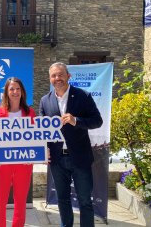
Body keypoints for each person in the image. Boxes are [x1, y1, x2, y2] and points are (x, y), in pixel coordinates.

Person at [39, 62, 103, 227]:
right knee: (62, 199)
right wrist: (43, 149)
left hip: (80, 158)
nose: (57, 78)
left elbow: (97, 121)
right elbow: (41, 131)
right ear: (50, 78)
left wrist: (77, 121)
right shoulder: (45, 101)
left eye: (61, 74)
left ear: (68, 76)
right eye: (54, 75)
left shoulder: (83, 96)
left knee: (85, 200)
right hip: (57, 160)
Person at [0, 77, 36, 227]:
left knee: (20, 202)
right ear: (6, 92)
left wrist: (36, 154)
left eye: (18, 89)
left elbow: (36, 137)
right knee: (0, 202)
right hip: (2, 164)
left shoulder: (30, 113)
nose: (15, 92)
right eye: (11, 89)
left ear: (22, 92)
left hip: (24, 163)